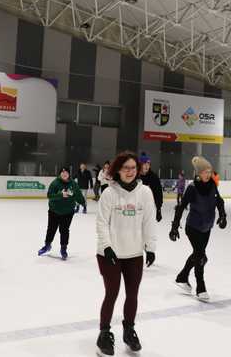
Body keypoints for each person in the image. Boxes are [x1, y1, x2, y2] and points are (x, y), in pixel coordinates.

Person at [95, 151, 157, 356]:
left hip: (134, 254)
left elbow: (149, 221)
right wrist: (107, 247)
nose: (130, 172)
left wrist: (151, 247)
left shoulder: (145, 192)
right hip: (109, 253)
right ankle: (104, 333)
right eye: (126, 168)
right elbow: (102, 223)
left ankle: (129, 330)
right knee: (111, 293)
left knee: (132, 294)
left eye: (133, 168)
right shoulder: (109, 193)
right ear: (118, 170)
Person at [169, 156, 228, 302]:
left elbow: (219, 201)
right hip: (193, 227)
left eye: (210, 171)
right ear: (198, 173)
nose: (208, 174)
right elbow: (181, 207)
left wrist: (222, 216)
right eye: (205, 172)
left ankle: (182, 277)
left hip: (206, 227)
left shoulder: (213, 185)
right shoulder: (192, 188)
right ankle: (200, 288)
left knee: (198, 254)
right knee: (200, 256)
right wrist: (175, 226)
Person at [37, 167, 85, 260]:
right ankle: (47, 245)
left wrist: (82, 202)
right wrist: (60, 195)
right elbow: (49, 195)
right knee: (51, 229)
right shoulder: (55, 183)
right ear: (60, 174)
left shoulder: (73, 184)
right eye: (62, 173)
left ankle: (63, 249)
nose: (64, 174)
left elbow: (79, 196)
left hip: (68, 212)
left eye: (66, 172)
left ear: (69, 174)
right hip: (54, 211)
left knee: (64, 230)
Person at [137, 153, 163, 222]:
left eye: (148, 164)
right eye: (144, 164)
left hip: (148, 209)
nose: (146, 166)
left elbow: (158, 193)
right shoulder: (134, 175)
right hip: (134, 208)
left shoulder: (153, 177)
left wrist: (158, 209)